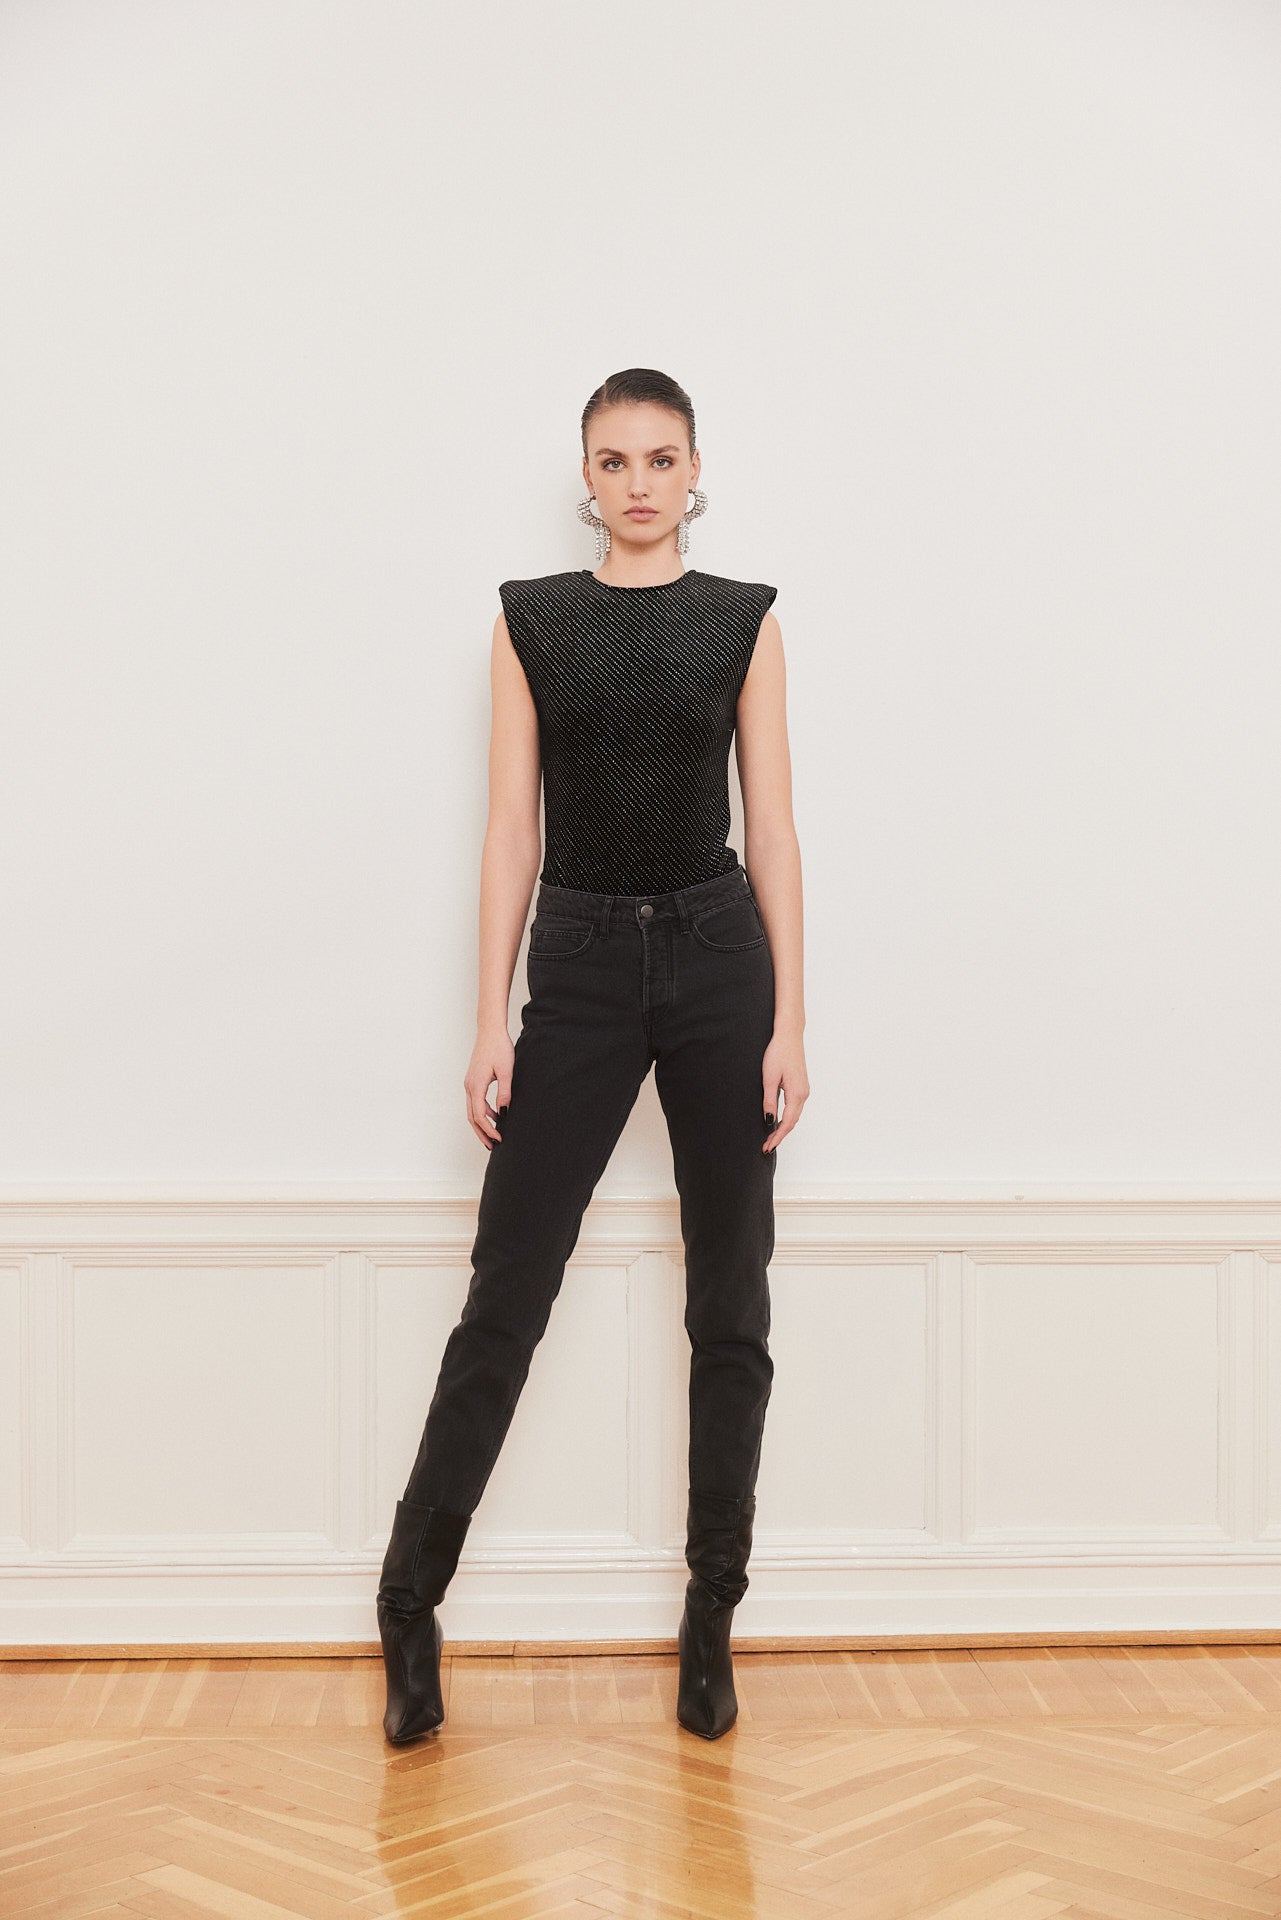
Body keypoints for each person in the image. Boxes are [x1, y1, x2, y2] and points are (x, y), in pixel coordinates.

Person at [376, 366, 808, 1745]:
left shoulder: (744, 620)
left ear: (695, 472)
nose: (637, 483)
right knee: (508, 1290)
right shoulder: (533, 621)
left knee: (729, 1301)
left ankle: (711, 1616)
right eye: (614, 461)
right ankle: (408, 1600)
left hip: (718, 957)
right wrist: (487, 1016)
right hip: (574, 963)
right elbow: (510, 828)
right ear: (586, 477)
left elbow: (772, 827)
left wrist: (792, 1019)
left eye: (659, 459)